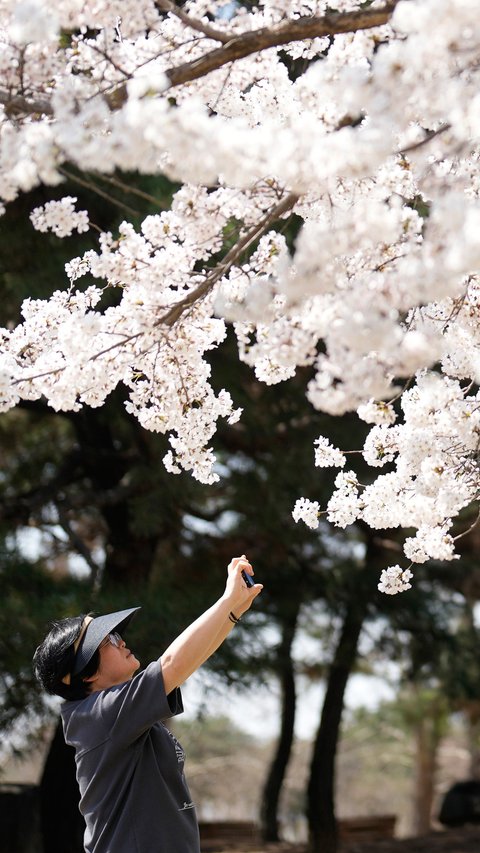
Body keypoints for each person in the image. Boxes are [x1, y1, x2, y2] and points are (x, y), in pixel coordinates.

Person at [33, 555, 262, 853]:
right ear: (84, 674)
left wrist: (232, 611)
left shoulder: (118, 713)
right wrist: (226, 601)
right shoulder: (99, 715)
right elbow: (173, 664)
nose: (122, 641)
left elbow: (186, 663)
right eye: (109, 640)